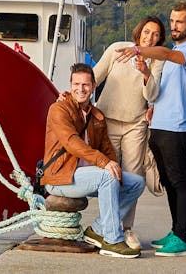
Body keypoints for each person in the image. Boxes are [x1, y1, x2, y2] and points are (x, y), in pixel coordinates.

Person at [115, 1, 186, 257]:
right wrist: (153, 105)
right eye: (172, 20)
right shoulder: (176, 49)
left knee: (179, 180)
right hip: (158, 124)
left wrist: (138, 49)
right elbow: (161, 88)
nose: (174, 26)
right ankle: (175, 231)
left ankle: (182, 236)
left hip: (176, 126)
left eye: (179, 21)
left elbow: (165, 55)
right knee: (167, 180)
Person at [42, 63, 145, 258]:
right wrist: (104, 163)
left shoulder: (97, 116)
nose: (80, 89)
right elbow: (71, 142)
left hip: (88, 177)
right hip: (61, 176)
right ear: (70, 85)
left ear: (94, 86)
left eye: (85, 85)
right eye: (76, 84)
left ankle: (97, 230)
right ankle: (112, 240)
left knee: (136, 183)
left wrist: (113, 167)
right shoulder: (59, 109)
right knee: (107, 175)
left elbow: (107, 150)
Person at [91, 16, 166, 250]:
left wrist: (146, 72)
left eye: (155, 34)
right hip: (108, 121)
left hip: (135, 124)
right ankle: (106, 228)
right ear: (139, 32)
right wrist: (74, 97)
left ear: (160, 38)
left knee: (134, 178)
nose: (150, 37)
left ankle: (126, 228)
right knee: (110, 176)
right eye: (146, 31)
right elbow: (95, 76)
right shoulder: (117, 49)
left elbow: (152, 95)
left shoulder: (158, 60)